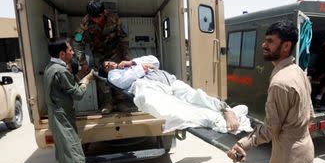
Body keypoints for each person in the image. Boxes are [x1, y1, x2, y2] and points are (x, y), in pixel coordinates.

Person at [227, 20, 314, 163]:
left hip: (289, 155)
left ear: (286, 46)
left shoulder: (280, 81)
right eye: (265, 40)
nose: (264, 45)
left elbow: (270, 129)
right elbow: (309, 113)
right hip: (304, 150)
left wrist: (243, 143)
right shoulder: (299, 72)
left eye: (270, 41)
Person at [98, 55, 242, 133]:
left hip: (165, 78)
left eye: (108, 62)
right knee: (172, 109)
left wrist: (133, 62)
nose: (109, 64)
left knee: (194, 95)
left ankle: (225, 109)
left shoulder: (129, 64)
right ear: (106, 72)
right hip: (148, 84)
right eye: (106, 66)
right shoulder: (113, 75)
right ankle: (215, 120)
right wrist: (142, 67)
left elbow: (155, 61)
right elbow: (123, 82)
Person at [43, 38, 103, 163]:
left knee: (67, 161)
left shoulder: (50, 68)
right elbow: (77, 94)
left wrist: (78, 77)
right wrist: (87, 79)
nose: (72, 53)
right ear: (62, 54)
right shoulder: (61, 71)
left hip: (58, 120)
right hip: (63, 123)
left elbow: (66, 88)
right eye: (69, 50)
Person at [73, 0, 130, 114]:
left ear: (104, 12)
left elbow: (123, 37)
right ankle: (107, 103)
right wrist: (82, 61)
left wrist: (126, 56)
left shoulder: (114, 19)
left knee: (119, 74)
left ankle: (120, 102)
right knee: (102, 77)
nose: (96, 20)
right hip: (98, 53)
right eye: (93, 17)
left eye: (98, 16)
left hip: (115, 51)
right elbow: (77, 41)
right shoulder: (86, 22)